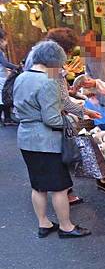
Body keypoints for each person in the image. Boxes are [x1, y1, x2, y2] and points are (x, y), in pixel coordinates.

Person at [13, 41, 90, 238]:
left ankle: (44, 223)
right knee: (60, 187)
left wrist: (82, 110)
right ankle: (66, 227)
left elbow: (63, 100)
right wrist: (71, 120)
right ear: (55, 61)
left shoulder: (22, 76)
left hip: (26, 139)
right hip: (45, 142)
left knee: (38, 185)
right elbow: (52, 119)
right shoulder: (48, 80)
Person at [43, 28, 104, 205]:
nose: (70, 55)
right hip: (55, 122)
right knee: (63, 158)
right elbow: (64, 101)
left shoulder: (40, 65)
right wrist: (85, 112)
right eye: (69, 51)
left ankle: (62, 192)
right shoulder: (55, 70)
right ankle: (65, 198)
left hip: (41, 125)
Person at [0, 28, 19, 125]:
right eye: (5, 40)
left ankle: (6, 118)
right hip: (1, 78)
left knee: (2, 98)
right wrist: (17, 67)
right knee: (4, 98)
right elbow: (4, 63)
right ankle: (7, 119)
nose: (6, 43)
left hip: (2, 76)